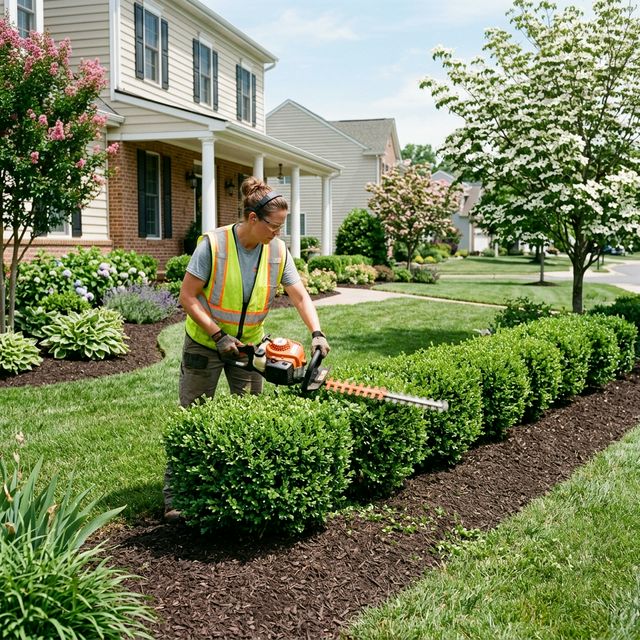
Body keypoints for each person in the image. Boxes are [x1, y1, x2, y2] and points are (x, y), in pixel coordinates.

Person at [163, 176, 330, 521]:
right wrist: (217, 335)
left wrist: (316, 332)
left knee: (249, 415)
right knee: (193, 416)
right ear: (253, 219)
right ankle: (176, 498)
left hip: (251, 347)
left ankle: (240, 491)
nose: (278, 234)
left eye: (282, 226)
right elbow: (187, 296)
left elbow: (299, 295)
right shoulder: (215, 244)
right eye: (274, 226)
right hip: (206, 343)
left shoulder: (278, 251)